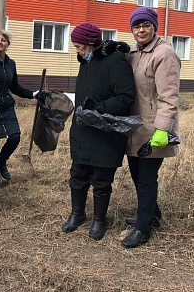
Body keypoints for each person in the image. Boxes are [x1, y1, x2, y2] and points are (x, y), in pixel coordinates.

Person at [63, 22, 135, 241]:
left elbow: (125, 96)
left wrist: (99, 110)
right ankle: (77, 214)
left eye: (78, 46)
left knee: (102, 180)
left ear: (90, 43)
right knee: (77, 175)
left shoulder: (116, 61)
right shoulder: (86, 61)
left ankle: (99, 220)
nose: (77, 50)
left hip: (106, 132)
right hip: (84, 130)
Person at [122, 7, 181, 248]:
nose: (141, 30)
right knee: (137, 175)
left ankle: (143, 229)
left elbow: (169, 97)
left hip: (154, 130)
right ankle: (152, 215)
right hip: (135, 127)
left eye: (146, 25)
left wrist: (163, 130)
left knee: (146, 178)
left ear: (155, 27)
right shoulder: (134, 52)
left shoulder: (164, 54)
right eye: (137, 26)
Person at [0, 29, 37, 192]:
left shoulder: (11, 64)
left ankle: (1, 162)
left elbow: (15, 87)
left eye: (3, 40)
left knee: (15, 137)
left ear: (8, 45)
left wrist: (33, 94)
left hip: (6, 106)